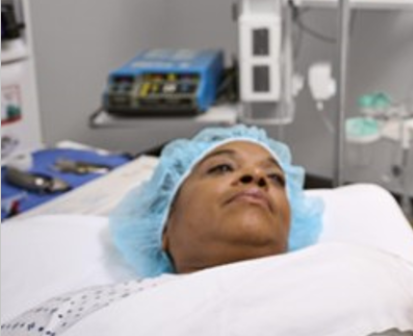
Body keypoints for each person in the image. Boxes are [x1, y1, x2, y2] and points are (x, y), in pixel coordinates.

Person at [0, 125, 324, 334]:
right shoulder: (100, 307)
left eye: (275, 178)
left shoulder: (340, 279)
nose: (257, 177)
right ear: (163, 226)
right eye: (223, 167)